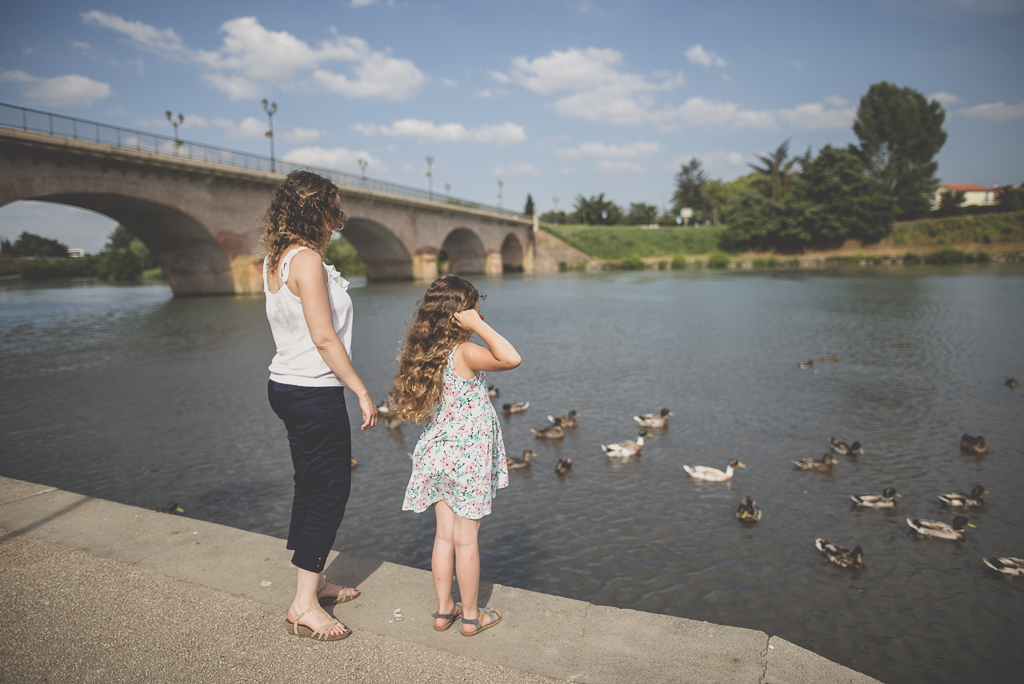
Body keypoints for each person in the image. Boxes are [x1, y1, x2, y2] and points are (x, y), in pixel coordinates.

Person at [260, 170, 378, 641]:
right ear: (316, 211)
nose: (339, 217)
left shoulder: (277, 259)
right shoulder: (306, 260)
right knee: (330, 491)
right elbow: (324, 338)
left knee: (310, 486)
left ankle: (315, 580)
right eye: (334, 208)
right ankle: (304, 604)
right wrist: (361, 389)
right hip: (313, 390)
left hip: (285, 386)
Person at [389, 275, 521, 636]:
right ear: (464, 314)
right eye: (477, 307)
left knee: (443, 536)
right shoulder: (464, 352)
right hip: (467, 459)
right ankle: (472, 617)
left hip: (437, 454)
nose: (481, 312)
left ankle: (444, 610)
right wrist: (479, 326)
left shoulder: (426, 353)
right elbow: (511, 358)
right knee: (466, 540)